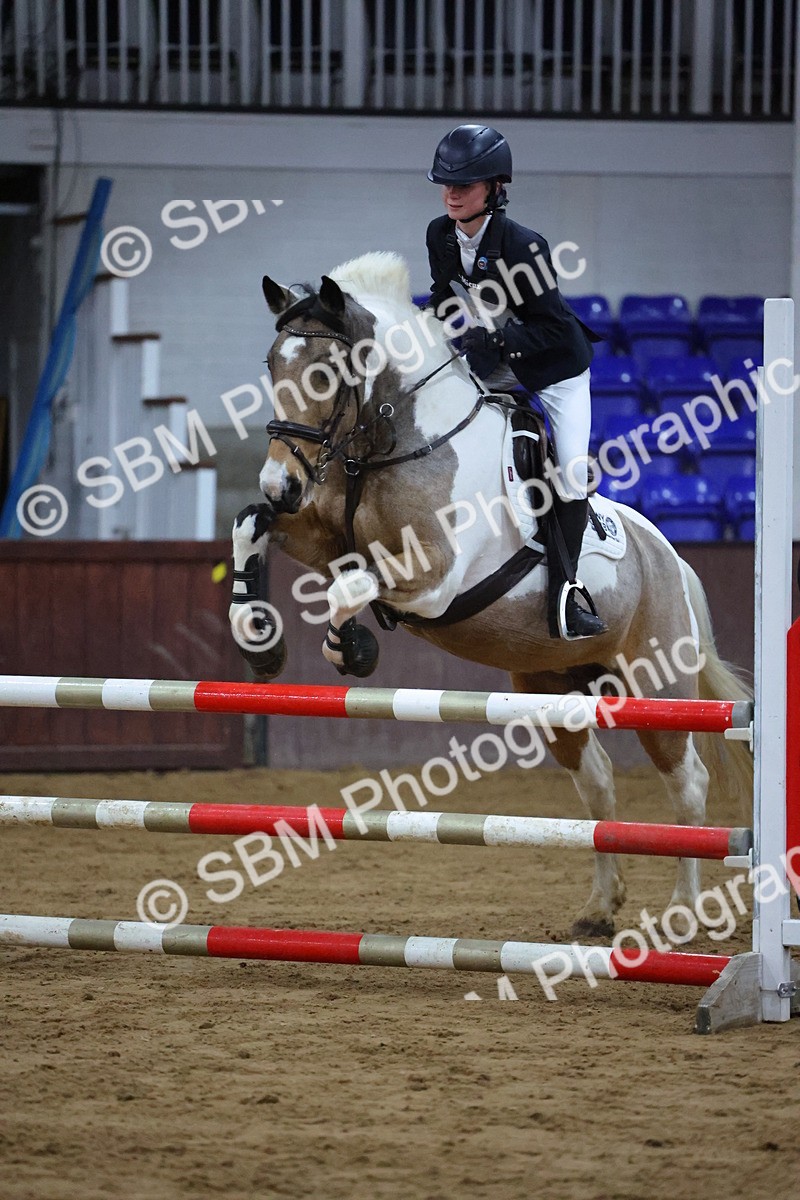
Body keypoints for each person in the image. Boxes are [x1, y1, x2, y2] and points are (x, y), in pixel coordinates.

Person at [425, 123, 607, 640]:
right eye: (447, 184)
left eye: (465, 184)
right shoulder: (440, 234)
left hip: (555, 368)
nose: (452, 194)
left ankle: (567, 593)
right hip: (497, 358)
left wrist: (496, 340)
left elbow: (552, 328)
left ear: (494, 187)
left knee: (571, 473)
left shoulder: (524, 245)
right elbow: (443, 294)